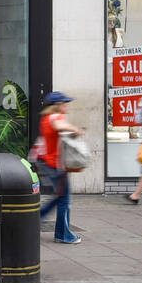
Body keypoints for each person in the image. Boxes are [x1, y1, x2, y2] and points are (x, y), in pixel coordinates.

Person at [34, 91, 83, 245]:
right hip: (54, 165)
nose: (67, 106)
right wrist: (75, 129)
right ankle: (63, 235)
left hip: (48, 163)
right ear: (57, 105)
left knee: (59, 198)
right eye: (64, 103)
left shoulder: (45, 118)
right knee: (64, 201)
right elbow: (60, 126)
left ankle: (36, 219)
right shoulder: (56, 117)